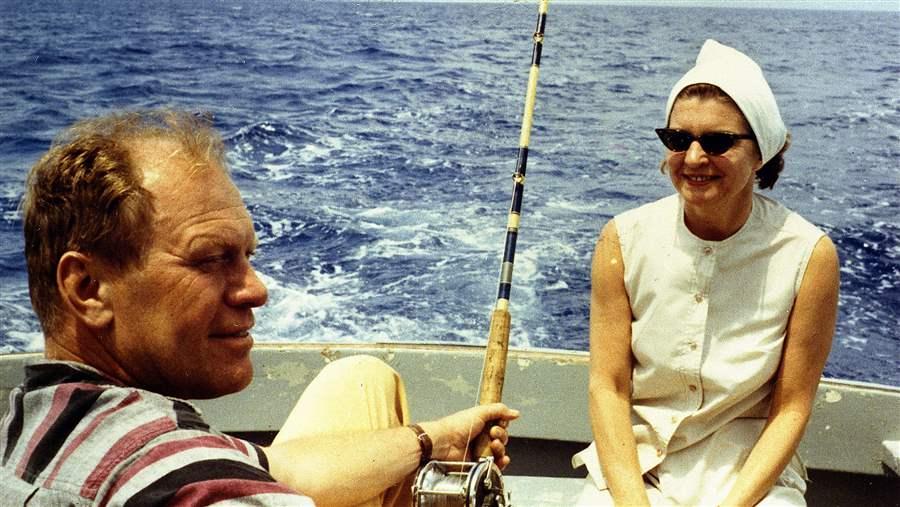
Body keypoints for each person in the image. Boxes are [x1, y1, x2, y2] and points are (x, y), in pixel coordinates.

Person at [0, 110, 519, 506]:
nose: (256, 289)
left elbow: (273, 464)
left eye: (247, 257)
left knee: (362, 378)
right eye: (211, 259)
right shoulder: (203, 486)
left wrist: (433, 440)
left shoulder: (33, 426)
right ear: (88, 287)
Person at [572, 40, 840, 506]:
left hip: (751, 478)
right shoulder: (621, 240)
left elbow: (792, 407)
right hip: (639, 468)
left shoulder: (809, 255)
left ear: (761, 153)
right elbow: (609, 387)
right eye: (678, 140)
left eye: (717, 142)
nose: (694, 158)